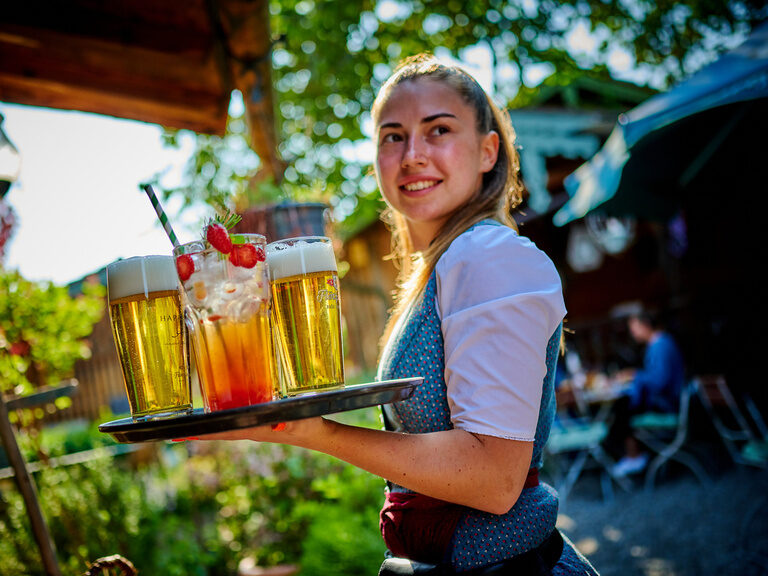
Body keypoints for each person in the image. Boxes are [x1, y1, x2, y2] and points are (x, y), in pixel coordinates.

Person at [201, 54, 598, 575]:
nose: (412, 154)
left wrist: (319, 434)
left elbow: (494, 482)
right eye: (393, 136)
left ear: (487, 150)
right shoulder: (443, 267)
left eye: (438, 130)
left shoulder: (487, 255)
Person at [608, 309, 686, 477]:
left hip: (668, 405)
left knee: (622, 409)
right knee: (623, 407)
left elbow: (660, 381)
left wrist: (635, 375)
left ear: (646, 325)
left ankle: (634, 456)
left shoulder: (660, 345)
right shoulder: (661, 342)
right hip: (671, 401)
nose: (632, 333)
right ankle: (634, 455)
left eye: (634, 328)